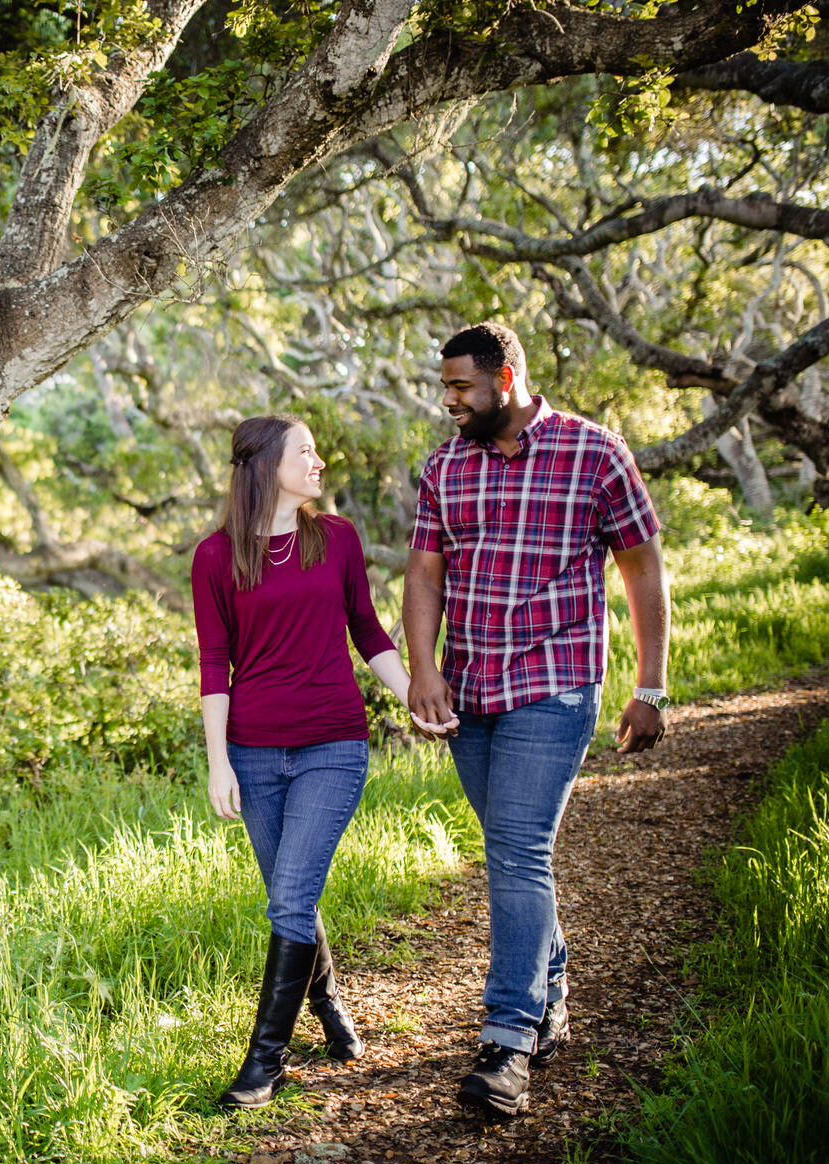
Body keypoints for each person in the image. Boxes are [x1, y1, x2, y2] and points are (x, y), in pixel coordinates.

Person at [404, 321, 671, 1119]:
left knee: (516, 851)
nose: (447, 400)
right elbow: (424, 574)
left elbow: (642, 568)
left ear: (507, 380)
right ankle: (550, 993)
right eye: (445, 386)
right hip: (470, 691)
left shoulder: (595, 452)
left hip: (555, 686)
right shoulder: (446, 465)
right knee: (512, 851)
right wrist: (423, 669)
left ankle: (506, 1038)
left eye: (460, 387)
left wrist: (651, 687)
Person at [191, 413, 427, 1110]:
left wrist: (417, 696)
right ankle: (327, 1007)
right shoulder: (216, 556)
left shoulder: (337, 539)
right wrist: (218, 763)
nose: (320, 462)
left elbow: (367, 630)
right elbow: (214, 665)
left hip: (332, 743)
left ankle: (263, 1063)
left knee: (290, 897)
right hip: (254, 755)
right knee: (290, 897)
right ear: (265, 465)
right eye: (307, 452)